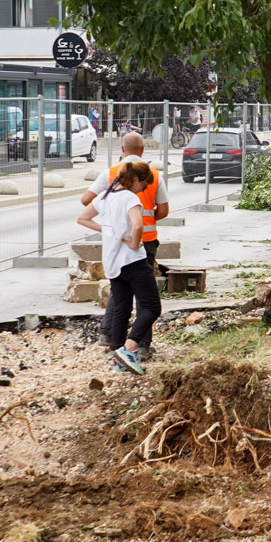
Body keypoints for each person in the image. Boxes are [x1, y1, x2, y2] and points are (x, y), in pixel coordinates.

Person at [78, 159, 161, 374]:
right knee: (152, 306)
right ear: (136, 179)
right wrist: (134, 242)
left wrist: (109, 231)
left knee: (121, 309)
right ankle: (130, 348)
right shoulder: (130, 198)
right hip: (132, 260)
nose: (143, 189)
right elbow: (138, 224)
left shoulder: (105, 197)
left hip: (113, 263)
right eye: (143, 185)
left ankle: (118, 359)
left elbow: (82, 218)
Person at [82, 133, 169, 272]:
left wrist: (110, 215)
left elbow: (85, 199)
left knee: (119, 280)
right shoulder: (154, 175)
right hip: (146, 239)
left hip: (118, 239)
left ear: (123, 149)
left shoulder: (110, 173)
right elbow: (163, 211)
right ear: (142, 149)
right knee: (143, 283)